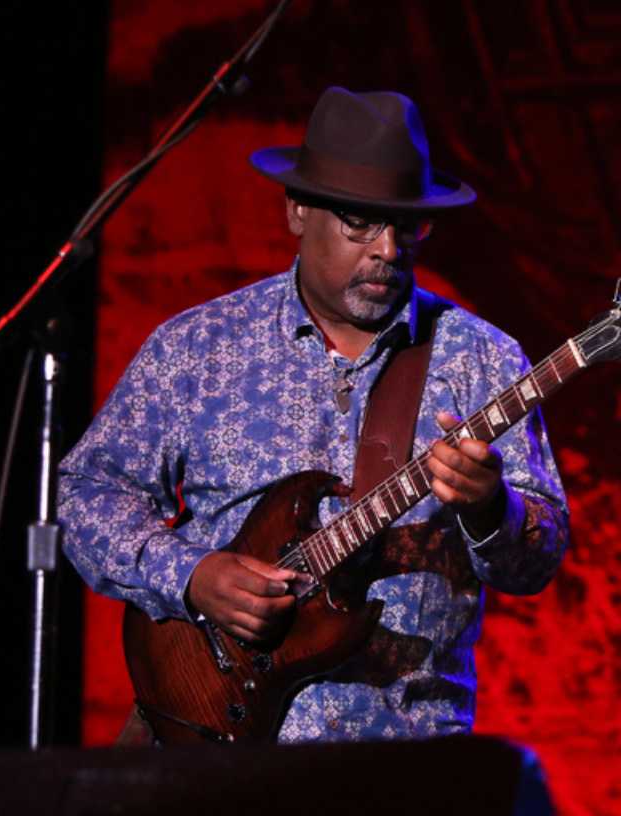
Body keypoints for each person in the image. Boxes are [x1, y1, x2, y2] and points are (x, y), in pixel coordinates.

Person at [59, 86, 570, 742]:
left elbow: (540, 558)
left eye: (406, 225)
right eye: (360, 222)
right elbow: (87, 494)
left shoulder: (480, 358)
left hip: (406, 762)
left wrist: (491, 508)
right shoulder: (200, 346)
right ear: (297, 209)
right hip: (213, 755)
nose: (387, 248)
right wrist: (191, 575)